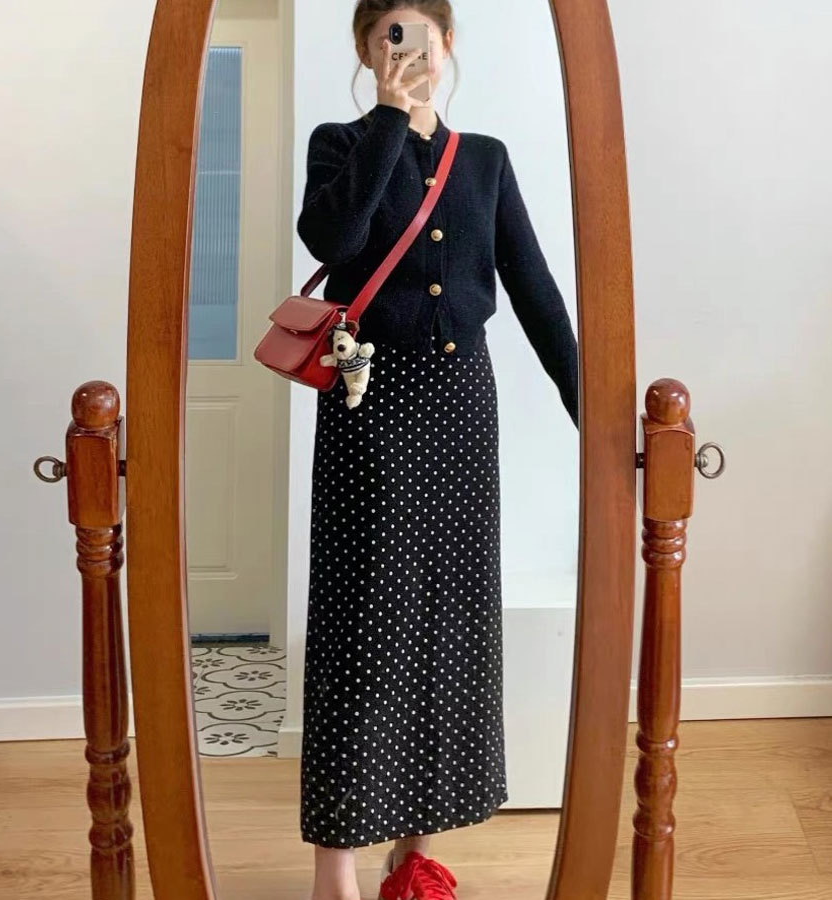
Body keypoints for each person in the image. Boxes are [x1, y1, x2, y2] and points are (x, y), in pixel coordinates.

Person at [296, 3, 579, 898]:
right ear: (364, 48)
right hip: (368, 405)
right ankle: (336, 864)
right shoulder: (339, 144)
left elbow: (534, 290)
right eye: (388, 36)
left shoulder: (484, 159)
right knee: (362, 626)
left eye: (420, 35)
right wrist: (389, 118)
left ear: (449, 44)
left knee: (444, 627)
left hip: (461, 411)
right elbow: (333, 241)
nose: (407, 51)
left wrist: (595, 414)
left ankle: (413, 852)